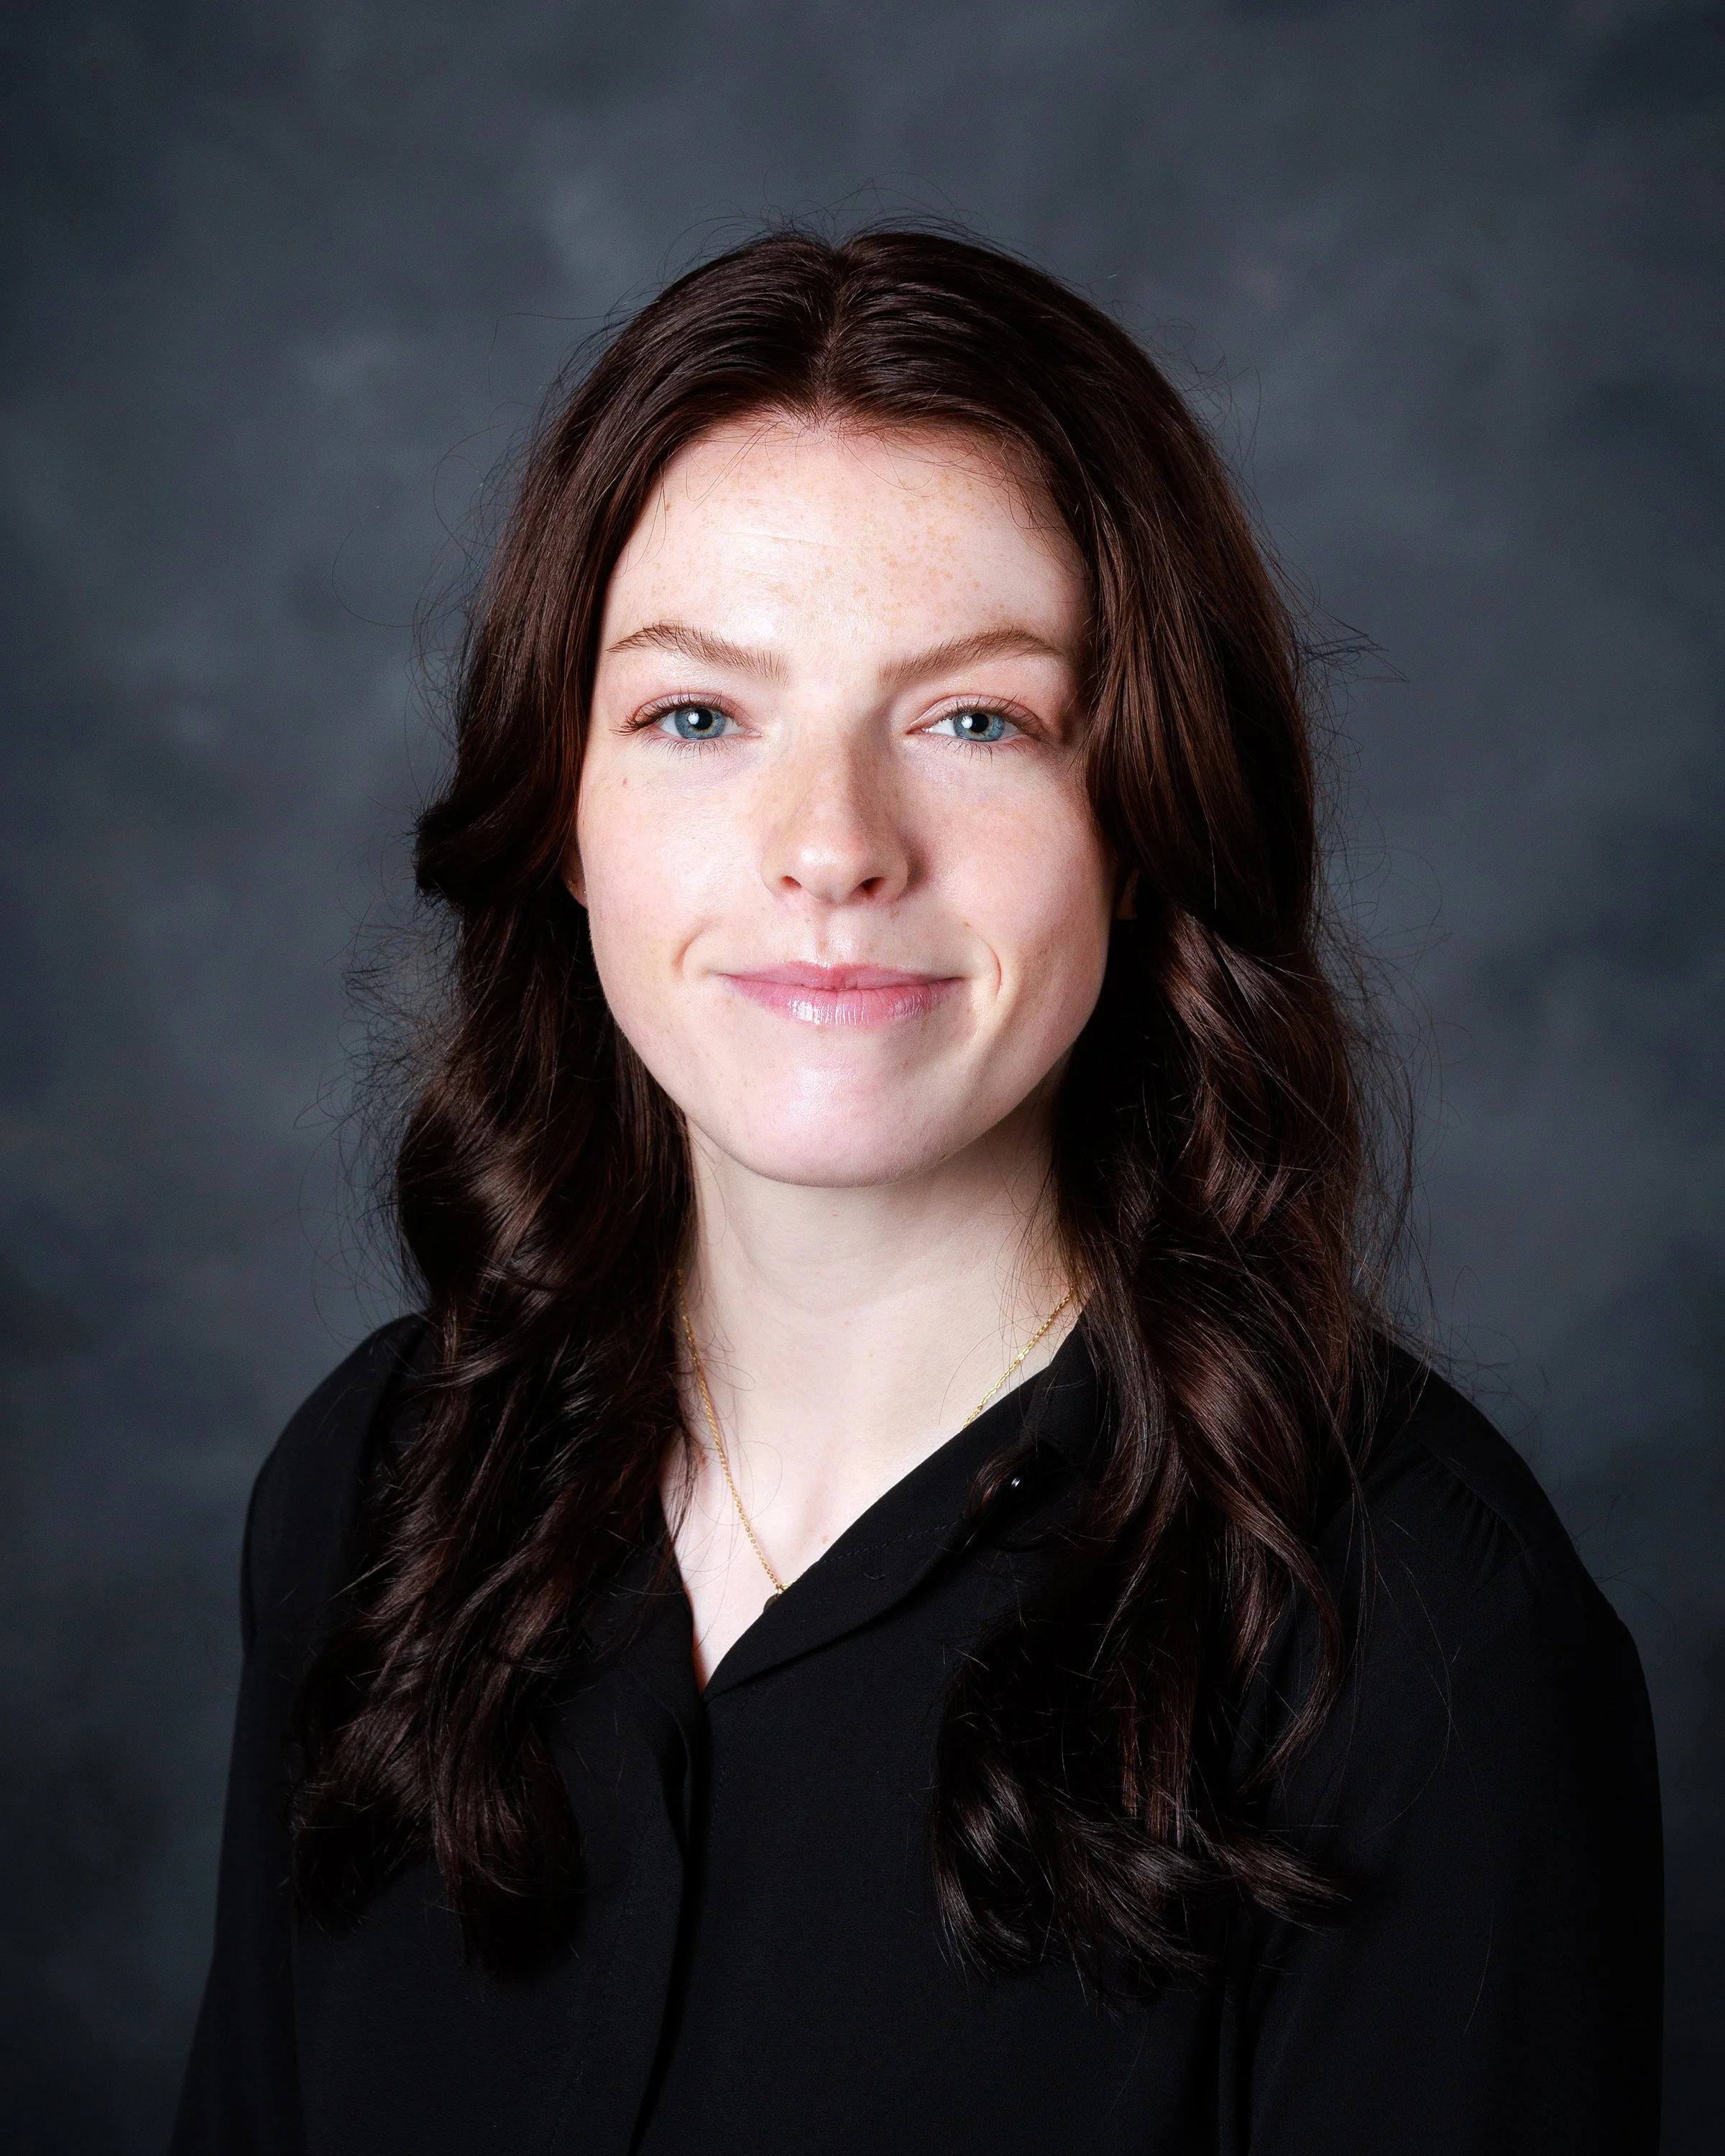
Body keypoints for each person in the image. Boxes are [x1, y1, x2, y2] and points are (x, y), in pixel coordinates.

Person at [171, 228, 1662, 2156]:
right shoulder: (371, 1490)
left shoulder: (1416, 1649)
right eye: (699, 717)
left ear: (1149, 819)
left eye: (977, 720)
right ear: (563, 812)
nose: (832, 850)